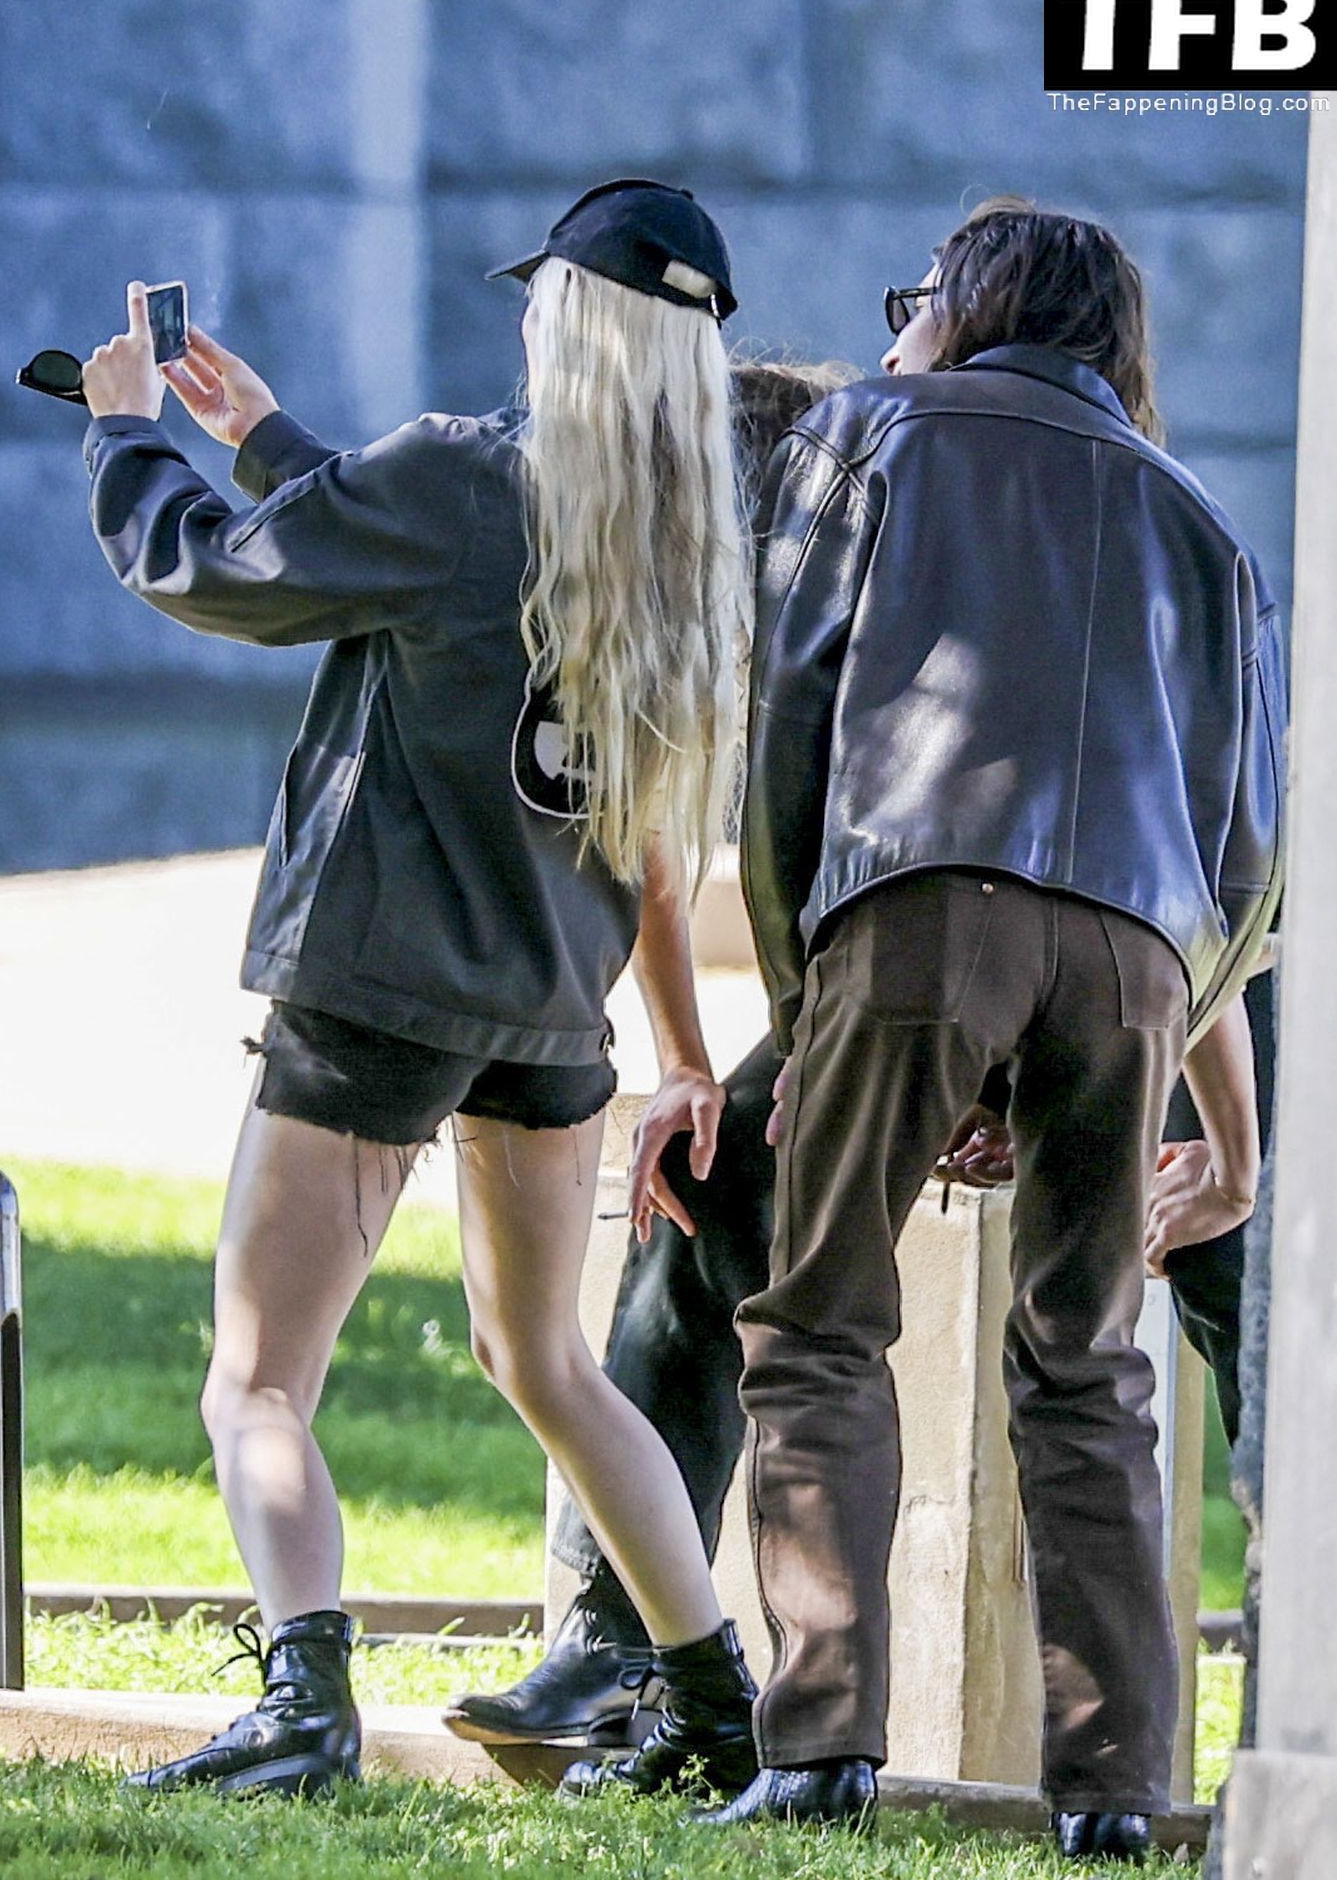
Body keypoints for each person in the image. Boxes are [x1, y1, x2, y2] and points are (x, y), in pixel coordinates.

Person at [449, 324, 1275, 1776]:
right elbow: (660, 838)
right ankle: (626, 1639)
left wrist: (1226, 1145)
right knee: (718, 1188)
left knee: (1234, 1301)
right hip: (998, 951)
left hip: (1181, 976)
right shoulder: (850, 525)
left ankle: (1284, 1708)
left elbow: (1207, 857)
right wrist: (703, 1062)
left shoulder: (902, 508)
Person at [76, 178, 763, 1802]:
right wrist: (267, 439)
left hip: (376, 993)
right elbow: (450, 596)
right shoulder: (688, 553)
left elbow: (221, 576)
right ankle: (712, 1703)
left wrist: (121, 437)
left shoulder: (462, 473)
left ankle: (303, 1705)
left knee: (258, 1376)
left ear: (564, 323)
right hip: (549, 1015)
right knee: (548, 1365)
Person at [681, 198, 1284, 1861]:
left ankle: (819, 1744)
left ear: (968, 300)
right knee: (1086, 1365)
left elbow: (789, 728)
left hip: (911, 905)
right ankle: (1115, 1793)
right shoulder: (1199, 520)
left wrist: (811, 1007)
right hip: (1138, 956)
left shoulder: (866, 435)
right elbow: (1248, 849)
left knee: (816, 1319)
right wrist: (1154, 1015)